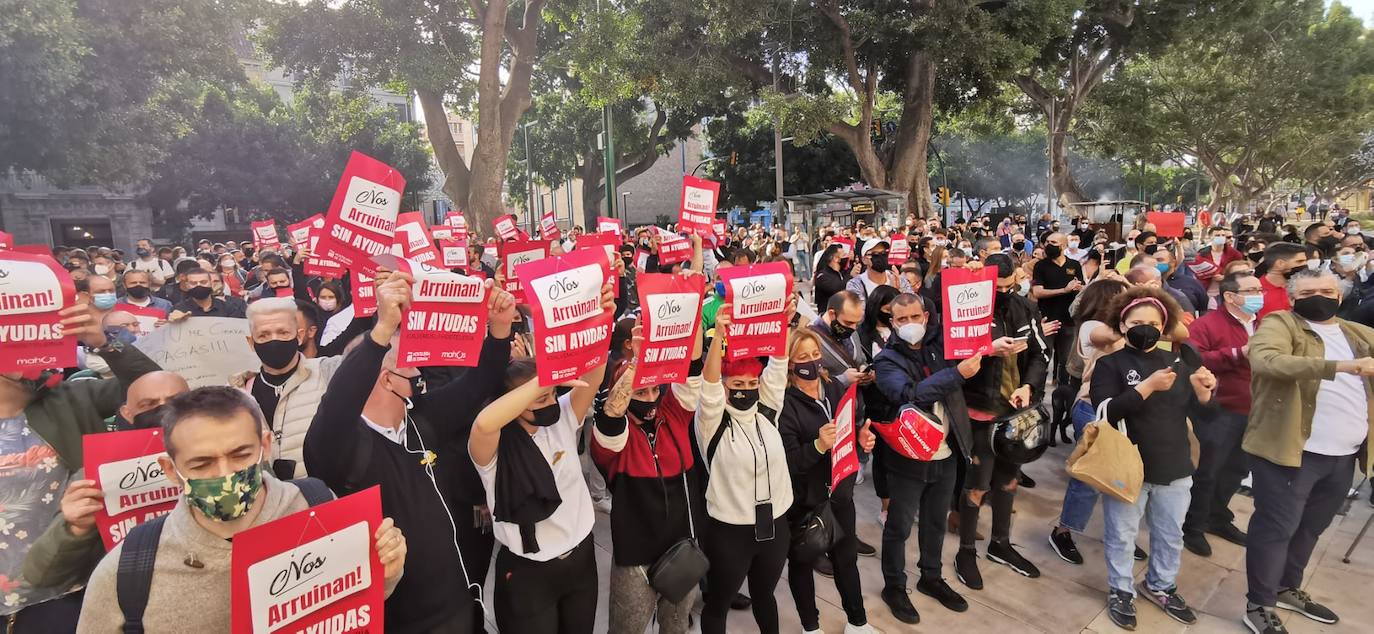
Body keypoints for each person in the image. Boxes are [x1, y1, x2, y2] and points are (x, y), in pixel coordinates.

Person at [74, 387, 407, 632]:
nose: (225, 475)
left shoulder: (318, 508)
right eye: (202, 463)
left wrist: (386, 572)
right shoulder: (127, 569)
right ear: (170, 469)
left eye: (239, 455)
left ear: (264, 446)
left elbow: (355, 607)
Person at [304, 270, 517, 632]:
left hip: (462, 606)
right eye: (409, 363)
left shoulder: (423, 418)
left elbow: (478, 383)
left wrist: (499, 328)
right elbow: (338, 402)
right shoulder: (340, 446)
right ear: (385, 377)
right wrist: (383, 328)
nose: (419, 370)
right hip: (404, 622)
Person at [0, 302, 158, 632]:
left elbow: (155, 387)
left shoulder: (73, 399)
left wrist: (103, 342)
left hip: (72, 588)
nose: (43, 358)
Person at [1241, 269, 1374, 634]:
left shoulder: (1358, 333)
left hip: (1343, 454)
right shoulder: (1280, 324)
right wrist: (1344, 367)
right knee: (1277, 526)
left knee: (1311, 527)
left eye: (1327, 290)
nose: (1319, 296)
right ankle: (1260, 602)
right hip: (1292, 452)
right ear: (1293, 298)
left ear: (1340, 296)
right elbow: (1269, 361)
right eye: (1309, 291)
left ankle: (1286, 586)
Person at [1090, 287, 1216, 630]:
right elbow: (1104, 412)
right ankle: (1120, 589)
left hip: (1174, 463)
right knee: (1122, 533)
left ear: (1164, 327)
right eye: (1136, 322)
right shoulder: (1110, 364)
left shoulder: (1180, 360)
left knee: (1170, 532)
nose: (1144, 328)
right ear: (1122, 324)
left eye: (1152, 322)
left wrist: (1205, 394)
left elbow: (1199, 412)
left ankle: (1160, 585)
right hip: (1127, 465)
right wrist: (1145, 387)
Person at [870, 293, 989, 623]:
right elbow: (910, 395)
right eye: (901, 320)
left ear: (926, 316)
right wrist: (957, 375)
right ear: (892, 323)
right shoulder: (887, 361)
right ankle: (894, 585)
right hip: (908, 457)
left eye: (915, 317)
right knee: (899, 526)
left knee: (935, 523)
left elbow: (968, 344)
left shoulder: (939, 348)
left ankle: (931, 577)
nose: (910, 325)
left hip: (946, 454)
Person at [21, 371, 190, 590]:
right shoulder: (97, 476)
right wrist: (74, 529)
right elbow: (40, 575)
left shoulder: (222, 457)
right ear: (127, 414)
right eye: (149, 404)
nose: (164, 409)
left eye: (176, 401)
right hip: (135, 597)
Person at [590, 320, 705, 634]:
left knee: (676, 627)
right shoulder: (613, 439)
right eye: (642, 390)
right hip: (635, 562)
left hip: (682, 550)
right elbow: (612, 414)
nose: (652, 397)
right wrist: (638, 364)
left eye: (656, 388)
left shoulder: (675, 415)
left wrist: (693, 306)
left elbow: (693, 368)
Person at [697, 296, 796, 634]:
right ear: (725, 389)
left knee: (765, 595)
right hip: (729, 531)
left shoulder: (767, 413)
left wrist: (781, 323)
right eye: (737, 385)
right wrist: (719, 340)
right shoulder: (712, 423)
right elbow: (709, 389)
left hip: (775, 526)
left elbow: (778, 370)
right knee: (719, 603)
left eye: (751, 384)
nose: (747, 390)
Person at [778, 329, 878, 634]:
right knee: (802, 563)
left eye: (814, 354)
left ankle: (857, 622)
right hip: (804, 502)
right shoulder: (784, 403)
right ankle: (811, 626)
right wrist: (819, 446)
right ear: (790, 363)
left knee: (846, 561)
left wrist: (861, 439)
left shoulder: (833, 387)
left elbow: (850, 429)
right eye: (802, 357)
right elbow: (790, 462)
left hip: (839, 494)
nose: (811, 362)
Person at [954, 254, 1045, 589]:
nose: (1004, 292)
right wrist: (987, 350)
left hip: (1016, 411)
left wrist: (1028, 385)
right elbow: (952, 352)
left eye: (1009, 287)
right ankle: (966, 550)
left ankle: (1000, 543)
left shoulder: (1024, 307)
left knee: (1008, 481)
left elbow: (1040, 352)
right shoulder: (969, 304)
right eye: (998, 288)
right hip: (979, 410)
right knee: (977, 484)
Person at [1048, 279, 1130, 564]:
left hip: (1126, 409)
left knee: (1121, 475)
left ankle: (1120, 531)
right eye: (1122, 299)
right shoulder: (1091, 328)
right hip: (1094, 409)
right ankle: (1063, 531)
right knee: (1088, 478)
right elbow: (1109, 337)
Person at [1182, 272, 1261, 557]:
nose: (1257, 294)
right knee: (1208, 470)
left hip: (1253, 409)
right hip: (1219, 409)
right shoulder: (1207, 325)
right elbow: (1193, 359)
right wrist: (1237, 354)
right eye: (1251, 290)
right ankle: (1193, 525)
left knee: (1237, 469)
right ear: (1230, 296)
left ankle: (1217, 516)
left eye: (1258, 289)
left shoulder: (1264, 324)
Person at [228, 297, 345, 479]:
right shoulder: (236, 396)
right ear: (251, 342)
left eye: (283, 333)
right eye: (264, 335)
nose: (274, 341)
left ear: (299, 336)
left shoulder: (328, 371)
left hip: (328, 497)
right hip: (275, 502)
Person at [168, 268, 246, 320]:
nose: (198, 285)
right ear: (187, 285)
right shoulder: (178, 309)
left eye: (203, 282)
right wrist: (174, 322)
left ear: (211, 283)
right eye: (193, 283)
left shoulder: (229, 308)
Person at [1256, 243, 1308, 319]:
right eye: (1299, 261)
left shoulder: (1306, 288)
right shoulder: (1255, 291)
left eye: (1305, 261)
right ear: (1280, 263)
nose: (1305, 265)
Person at [813, 244, 850, 313]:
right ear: (835, 258)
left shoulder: (843, 273)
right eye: (843, 255)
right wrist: (850, 276)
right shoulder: (822, 276)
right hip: (828, 315)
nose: (846, 257)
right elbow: (835, 289)